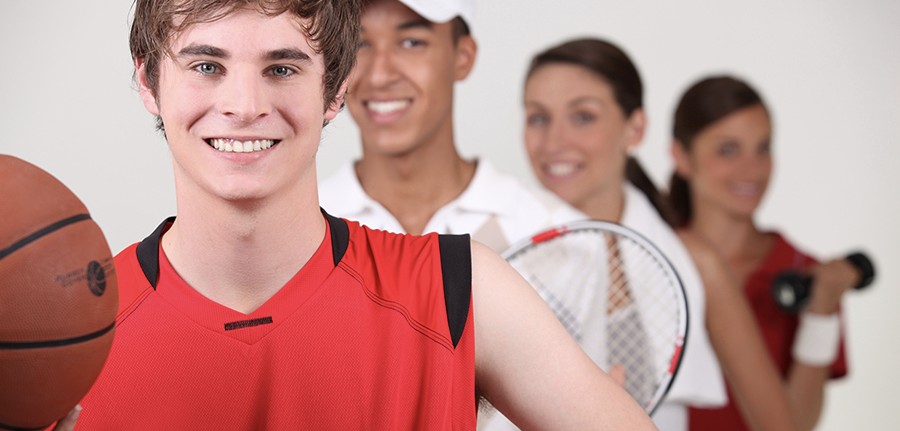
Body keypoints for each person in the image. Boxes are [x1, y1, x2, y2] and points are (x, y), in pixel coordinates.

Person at [59, 1, 654, 430]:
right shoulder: (66, 339)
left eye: (282, 69)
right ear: (147, 79)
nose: (244, 106)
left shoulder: (462, 291)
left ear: (337, 88)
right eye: (206, 65)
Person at [480, 37, 796, 431]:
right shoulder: (491, 247)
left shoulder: (693, 261)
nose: (554, 143)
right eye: (538, 118)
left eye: (582, 117)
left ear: (635, 128)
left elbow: (779, 424)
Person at [318, 0, 580, 254]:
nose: (379, 75)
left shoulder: (561, 238)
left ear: (463, 57)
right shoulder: (299, 230)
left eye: (411, 42)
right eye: (359, 44)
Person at [668, 75, 855, 431]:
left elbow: (795, 426)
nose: (751, 169)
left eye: (763, 148)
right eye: (728, 150)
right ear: (681, 156)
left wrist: (821, 314)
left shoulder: (808, 275)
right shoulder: (649, 257)